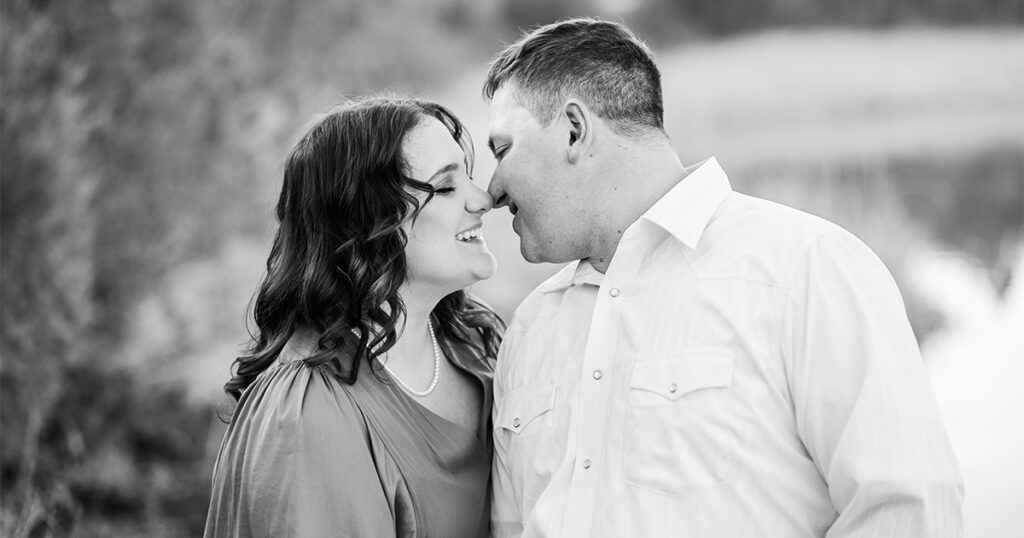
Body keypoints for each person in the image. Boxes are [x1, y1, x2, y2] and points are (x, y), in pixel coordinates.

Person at [483, 18, 963, 538]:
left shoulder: (808, 269)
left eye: (503, 150)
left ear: (574, 129)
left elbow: (907, 512)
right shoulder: (530, 327)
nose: (490, 189)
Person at [204, 97, 504, 537]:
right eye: (444, 187)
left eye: (470, 176)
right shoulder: (310, 414)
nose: (483, 199)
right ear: (366, 222)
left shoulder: (475, 345)